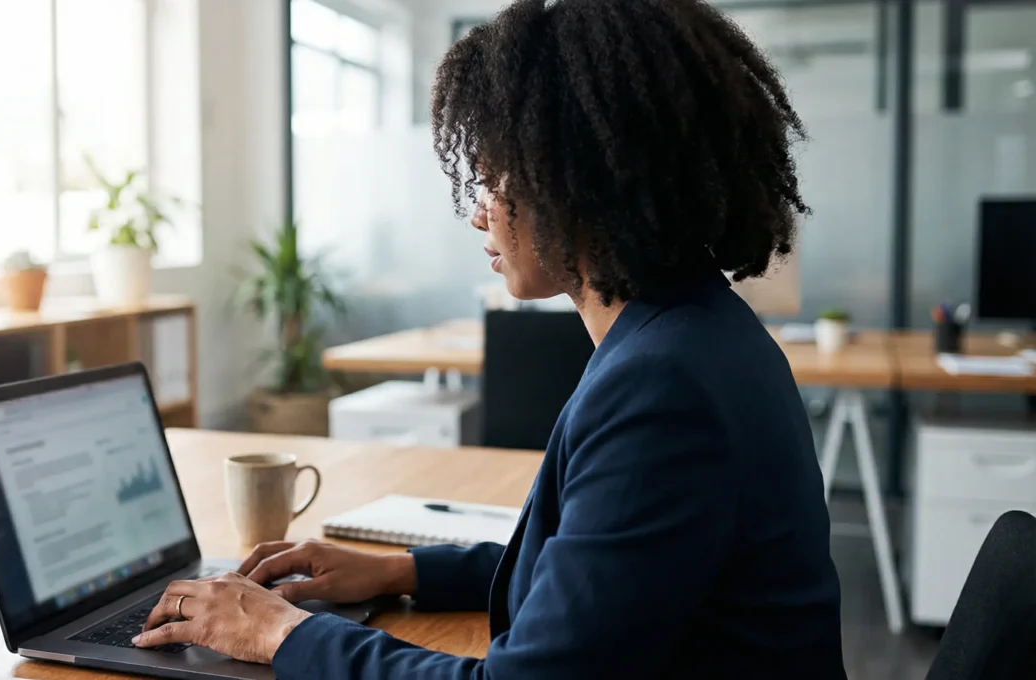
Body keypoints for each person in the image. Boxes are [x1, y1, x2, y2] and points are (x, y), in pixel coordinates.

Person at [132, 0, 846, 677]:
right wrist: (404, 571)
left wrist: (279, 632)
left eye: (494, 179)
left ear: (579, 184)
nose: (479, 216)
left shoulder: (664, 387)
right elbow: (601, 567)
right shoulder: (697, 333)